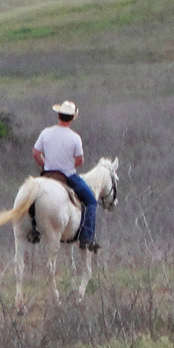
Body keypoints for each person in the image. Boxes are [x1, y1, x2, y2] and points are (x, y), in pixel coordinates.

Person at [33, 100, 99, 251]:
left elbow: (36, 153)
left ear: (58, 115)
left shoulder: (46, 132)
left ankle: (32, 227)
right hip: (67, 175)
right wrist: (67, 163)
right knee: (91, 202)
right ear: (72, 118)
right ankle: (86, 238)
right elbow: (79, 161)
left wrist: (45, 164)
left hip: (47, 174)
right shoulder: (75, 137)